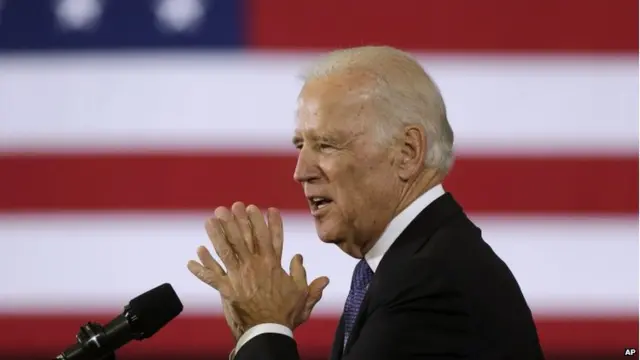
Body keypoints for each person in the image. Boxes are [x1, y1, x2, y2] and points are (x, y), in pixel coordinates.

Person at [187, 46, 546, 359]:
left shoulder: (432, 282)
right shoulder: (404, 266)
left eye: (326, 144)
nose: (301, 172)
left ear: (407, 153)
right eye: (301, 145)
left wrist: (265, 327)